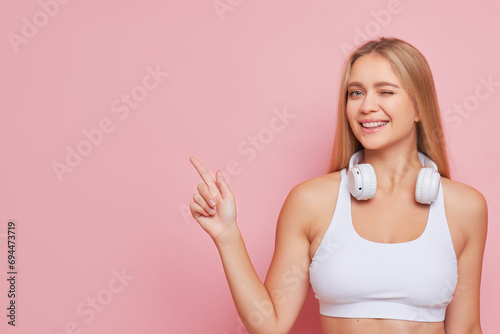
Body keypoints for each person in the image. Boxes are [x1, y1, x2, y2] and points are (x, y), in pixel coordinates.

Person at [188, 37, 488, 334]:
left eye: (385, 91)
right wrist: (227, 235)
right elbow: (269, 324)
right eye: (356, 93)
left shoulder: (464, 207)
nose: (367, 106)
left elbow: (467, 328)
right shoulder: (311, 201)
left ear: (418, 108)